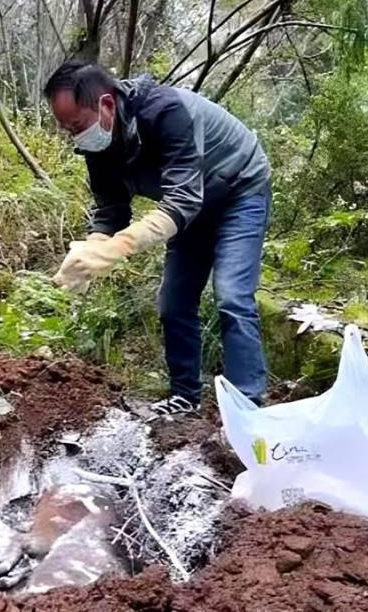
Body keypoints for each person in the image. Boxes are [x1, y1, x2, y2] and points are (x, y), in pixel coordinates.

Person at [45, 61, 271, 417]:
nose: (75, 136)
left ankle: (248, 407)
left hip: (238, 190)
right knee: (173, 302)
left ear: (105, 104)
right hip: (189, 209)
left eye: (76, 125)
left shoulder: (166, 112)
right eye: (67, 129)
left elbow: (182, 200)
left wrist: (118, 248)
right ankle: (185, 396)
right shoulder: (97, 147)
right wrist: (91, 249)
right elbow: (111, 210)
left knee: (231, 294)